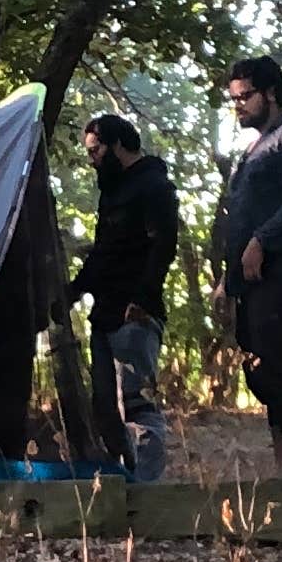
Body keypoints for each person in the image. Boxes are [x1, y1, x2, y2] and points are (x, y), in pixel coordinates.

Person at [210, 53, 282, 478]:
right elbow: (240, 220)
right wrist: (228, 280)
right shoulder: (250, 151)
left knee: (277, 367)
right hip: (251, 284)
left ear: (271, 93)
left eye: (246, 96)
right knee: (260, 374)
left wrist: (263, 240)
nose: (238, 105)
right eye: (234, 98)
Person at [68, 114, 179, 480]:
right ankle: (121, 486)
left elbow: (163, 246)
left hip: (134, 316)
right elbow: (103, 253)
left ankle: (144, 491)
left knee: (137, 404)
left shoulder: (153, 185)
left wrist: (143, 300)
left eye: (96, 150)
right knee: (107, 409)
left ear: (117, 145)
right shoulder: (112, 192)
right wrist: (73, 292)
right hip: (105, 313)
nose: (92, 159)